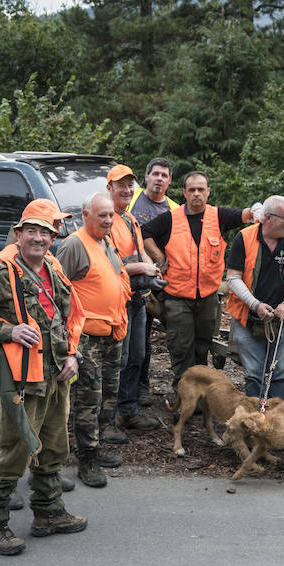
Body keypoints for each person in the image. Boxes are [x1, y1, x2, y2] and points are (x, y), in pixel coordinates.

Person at [0, 199, 86, 556]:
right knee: (15, 451)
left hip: (58, 374)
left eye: (44, 232)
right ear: (19, 233)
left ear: (53, 236)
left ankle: (48, 514)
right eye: (31, 230)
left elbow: (71, 315)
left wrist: (74, 355)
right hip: (22, 378)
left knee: (55, 447)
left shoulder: (53, 265)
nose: (38, 238)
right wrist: (9, 331)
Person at [141, 172, 255, 389]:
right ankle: (183, 399)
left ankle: (200, 397)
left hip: (207, 299)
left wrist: (258, 209)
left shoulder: (219, 216)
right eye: (191, 189)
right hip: (177, 298)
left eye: (201, 189)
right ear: (184, 192)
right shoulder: (171, 218)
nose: (196, 194)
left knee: (202, 349)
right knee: (181, 349)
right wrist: (158, 257)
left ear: (208, 192)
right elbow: (144, 231)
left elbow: (246, 215)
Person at [56, 193, 131, 488]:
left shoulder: (106, 240)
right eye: (102, 215)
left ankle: (96, 447)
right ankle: (86, 460)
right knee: (89, 399)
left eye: (111, 215)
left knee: (108, 396)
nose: (108, 220)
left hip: (112, 335)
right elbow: (58, 291)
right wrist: (67, 343)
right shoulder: (74, 244)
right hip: (85, 338)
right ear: (86, 215)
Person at [224, 195, 284, 399]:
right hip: (248, 316)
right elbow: (233, 278)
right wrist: (256, 305)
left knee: (280, 374)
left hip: (282, 320)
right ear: (268, 218)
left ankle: (276, 420)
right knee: (254, 373)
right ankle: (257, 420)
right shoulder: (244, 237)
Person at [104, 164, 163, 435]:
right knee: (119, 358)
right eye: (121, 186)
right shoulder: (106, 220)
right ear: (110, 188)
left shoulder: (129, 219)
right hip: (118, 301)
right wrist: (142, 269)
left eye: (130, 185)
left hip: (137, 298)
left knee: (137, 357)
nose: (127, 190)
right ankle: (110, 418)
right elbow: (106, 266)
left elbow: (140, 253)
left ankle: (127, 412)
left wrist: (152, 266)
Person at [127, 157, 177, 406]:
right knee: (140, 335)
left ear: (169, 181)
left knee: (173, 333)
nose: (159, 179)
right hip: (133, 278)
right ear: (145, 177)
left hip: (164, 282)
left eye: (164, 175)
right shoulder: (131, 201)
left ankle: (151, 385)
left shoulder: (175, 209)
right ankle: (138, 386)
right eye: (155, 174)